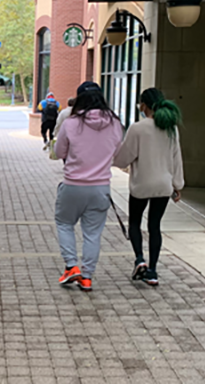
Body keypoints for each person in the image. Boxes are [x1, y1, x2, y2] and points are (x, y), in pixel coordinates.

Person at [53, 82, 123, 291]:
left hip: (73, 184)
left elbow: (59, 152)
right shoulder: (115, 123)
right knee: (93, 233)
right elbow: (117, 151)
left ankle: (71, 265)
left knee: (64, 223)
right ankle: (87, 276)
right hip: (101, 187)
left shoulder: (71, 123)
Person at [113, 88, 184, 287]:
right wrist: (177, 185)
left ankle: (139, 259)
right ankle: (152, 271)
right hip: (163, 185)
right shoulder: (171, 127)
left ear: (144, 105)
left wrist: (113, 160)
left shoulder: (137, 128)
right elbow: (176, 158)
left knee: (135, 223)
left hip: (142, 184)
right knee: (155, 226)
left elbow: (124, 158)